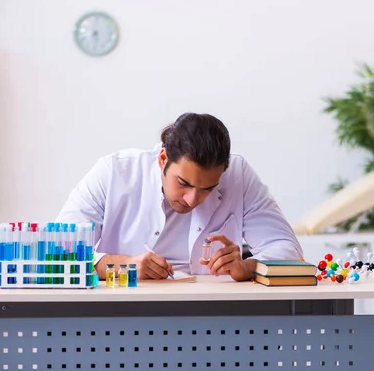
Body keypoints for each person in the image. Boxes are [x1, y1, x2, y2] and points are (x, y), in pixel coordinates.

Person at [56, 113, 303, 282]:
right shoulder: (114, 173)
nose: (192, 199)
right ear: (163, 159)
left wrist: (246, 267)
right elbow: (57, 252)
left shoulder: (238, 175)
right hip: (119, 318)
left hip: (212, 318)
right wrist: (122, 266)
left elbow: (288, 250)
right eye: (183, 183)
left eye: (208, 188)